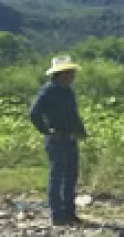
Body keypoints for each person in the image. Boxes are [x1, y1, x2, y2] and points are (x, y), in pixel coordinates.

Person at [29, 56, 87, 226]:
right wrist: (46, 131)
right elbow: (34, 113)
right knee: (57, 177)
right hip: (56, 139)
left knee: (71, 176)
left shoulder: (67, 91)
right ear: (61, 74)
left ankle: (69, 213)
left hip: (69, 138)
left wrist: (81, 131)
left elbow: (72, 114)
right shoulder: (48, 91)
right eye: (70, 73)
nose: (72, 76)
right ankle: (57, 215)